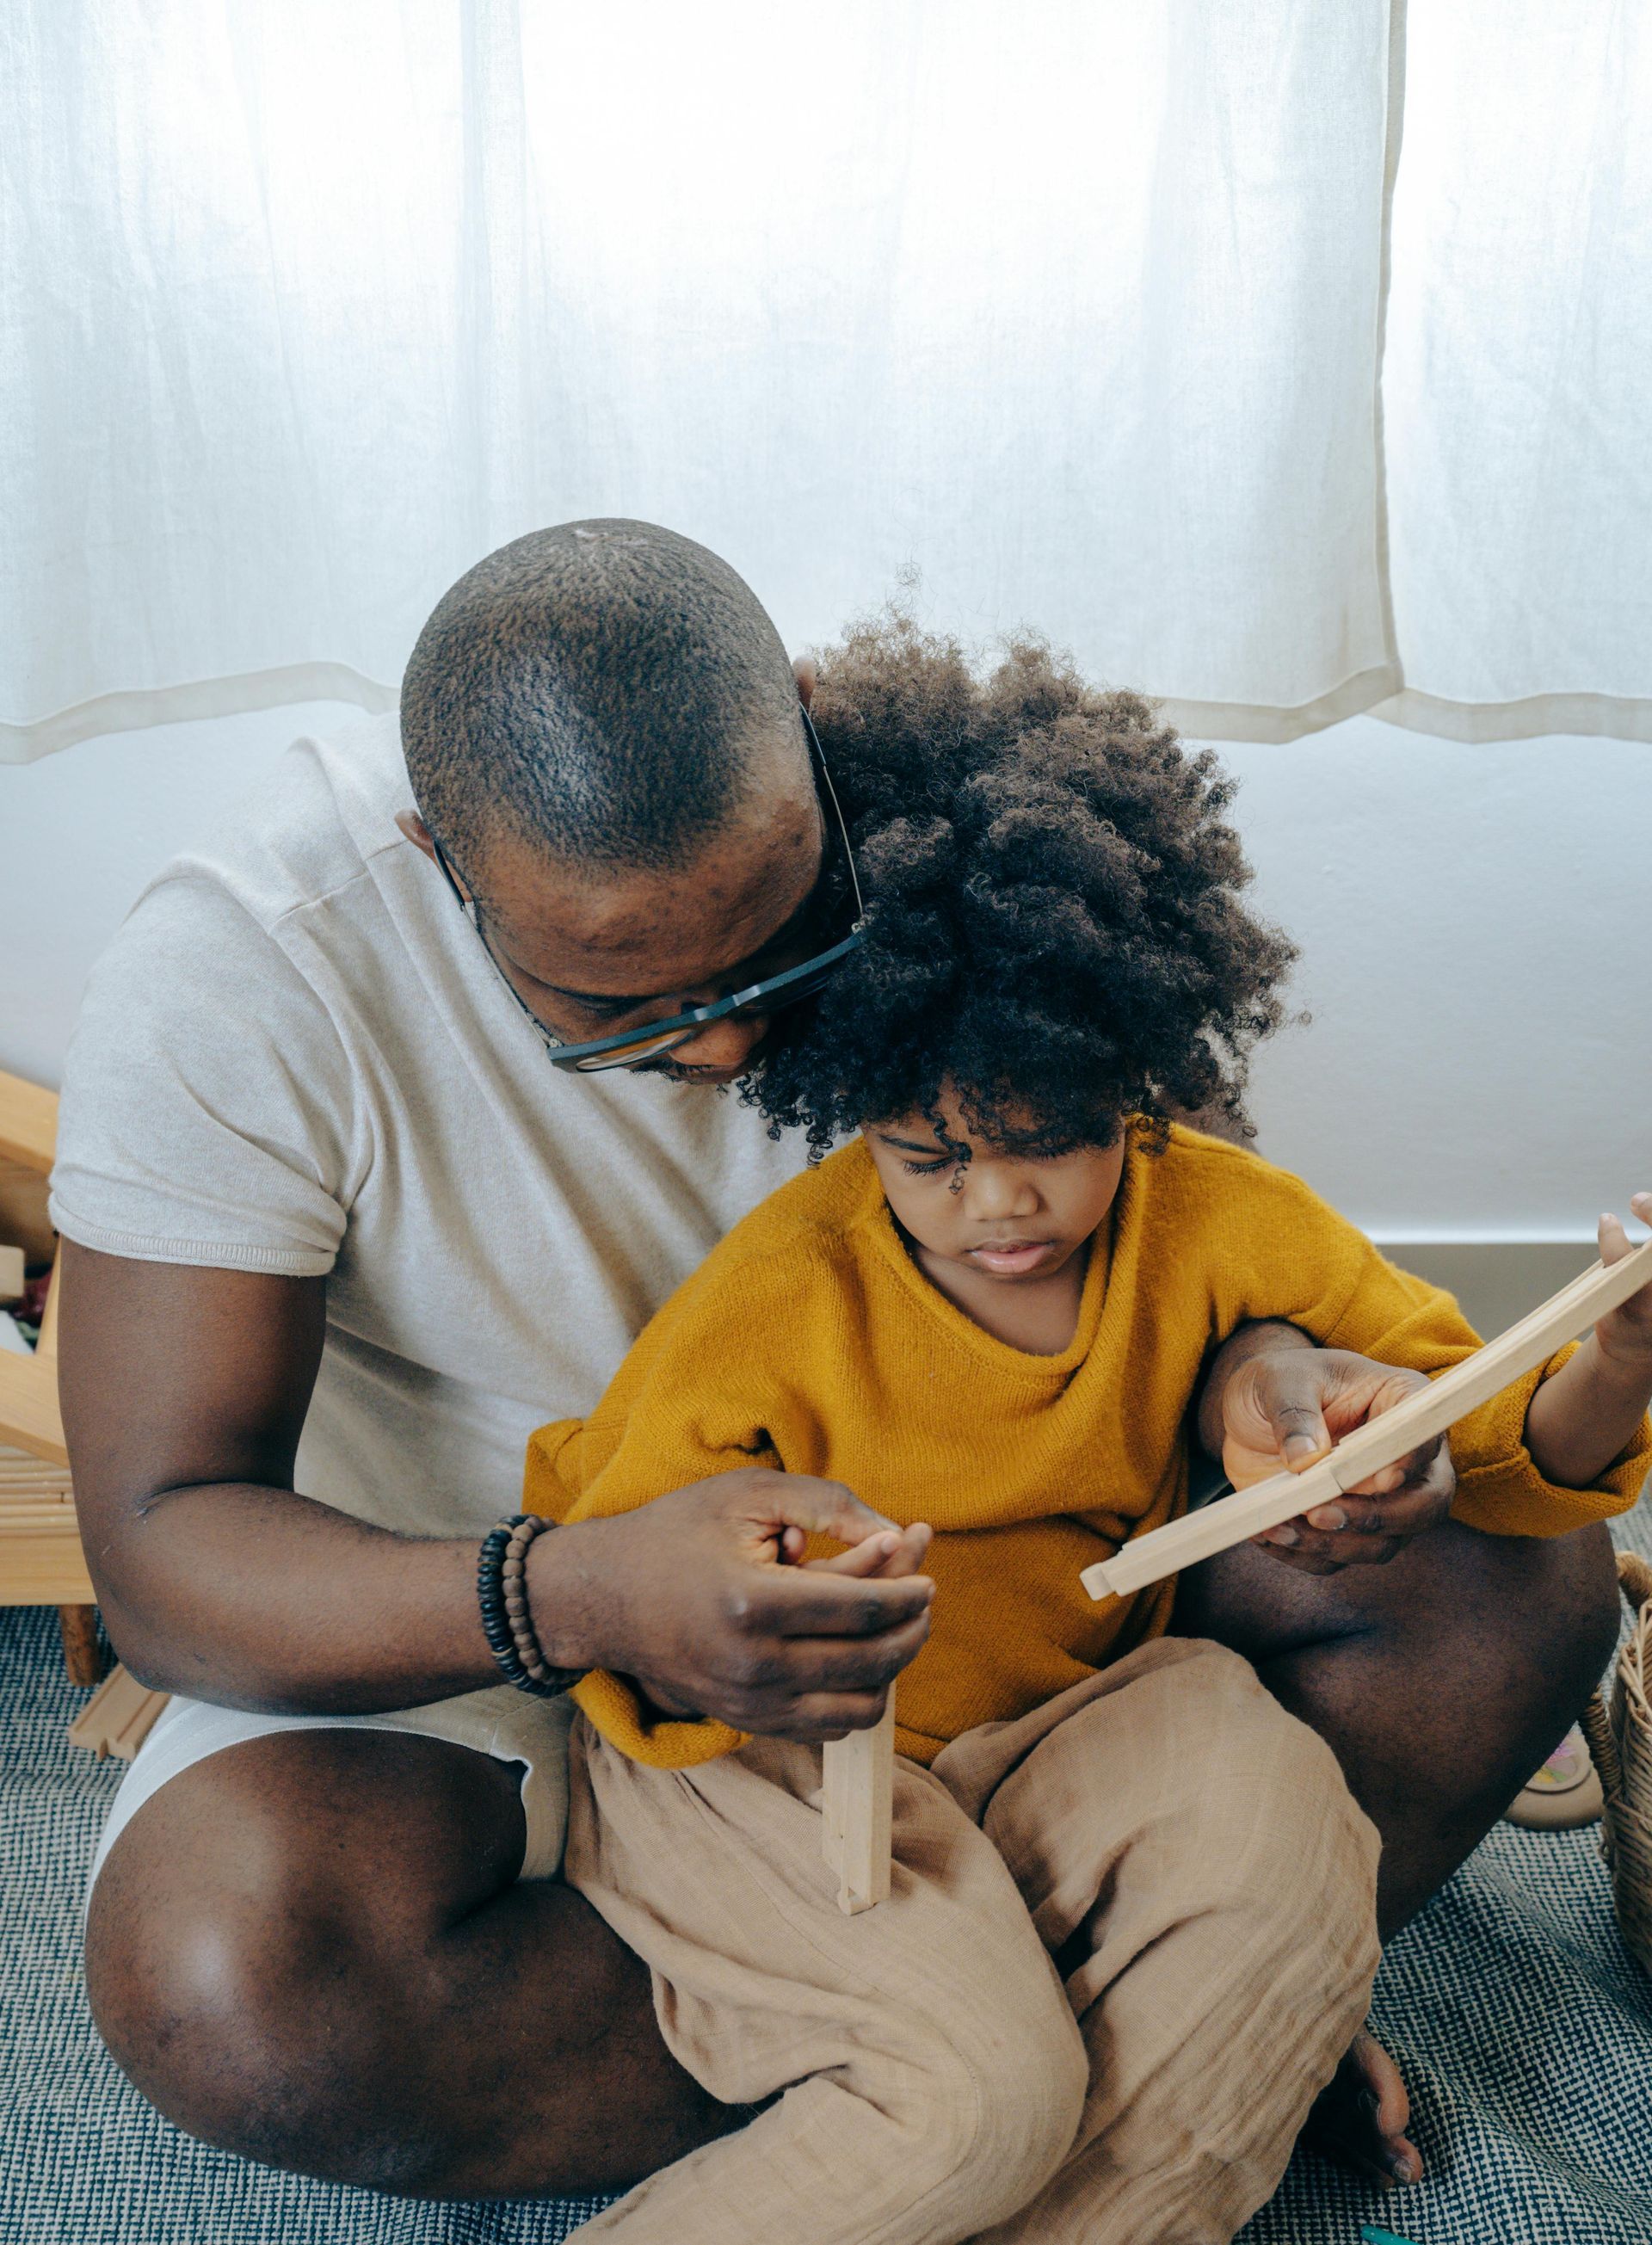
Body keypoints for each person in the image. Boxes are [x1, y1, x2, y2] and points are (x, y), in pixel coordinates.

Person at [51, 522, 1630, 2202]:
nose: (732, 1044)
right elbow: (166, 1549)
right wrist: (572, 1594)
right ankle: (1120, 2034)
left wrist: (1271, 1363)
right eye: (622, 1010)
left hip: (1006, 1592)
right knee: (232, 1983)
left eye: (773, 947)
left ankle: (1159, 2014)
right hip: (475, 1594)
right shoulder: (248, 963)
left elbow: (1170, 1208)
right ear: (438, 856)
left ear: (808, 734)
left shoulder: (951, 822)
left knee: (1514, 1585)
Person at [508, 628, 1652, 2242]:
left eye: (1052, 1141)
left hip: (1044, 1735)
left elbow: (1508, 1442)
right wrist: (743, 1604)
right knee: (984, 2080)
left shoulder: (1213, 1214)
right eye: (928, 1157)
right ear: (853, 1109)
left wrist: (1607, 1356)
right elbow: (610, 1585)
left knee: (1291, 1848)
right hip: (767, 1767)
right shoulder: (780, 1293)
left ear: (1136, 1073)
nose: (1001, 1205)